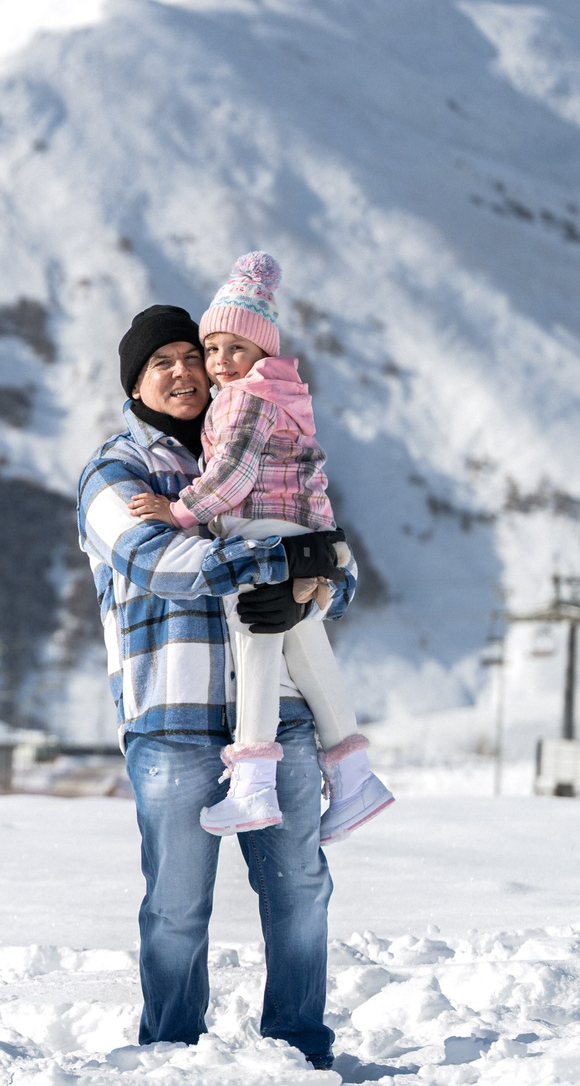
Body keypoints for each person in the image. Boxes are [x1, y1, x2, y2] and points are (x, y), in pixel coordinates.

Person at [74, 302, 354, 1069]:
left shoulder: (254, 442)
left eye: (191, 356)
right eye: (161, 361)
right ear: (136, 380)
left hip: (278, 718)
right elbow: (154, 561)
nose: (182, 371)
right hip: (175, 720)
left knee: (299, 886)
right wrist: (282, 569)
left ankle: (299, 1045)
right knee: (176, 905)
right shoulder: (117, 471)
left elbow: (337, 557)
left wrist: (315, 588)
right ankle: (169, 1051)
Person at [124, 253, 394, 841]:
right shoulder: (278, 394)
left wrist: (177, 511)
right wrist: (317, 557)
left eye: (228, 351)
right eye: (210, 348)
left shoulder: (245, 399)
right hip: (287, 529)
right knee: (305, 645)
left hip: (258, 530)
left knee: (255, 647)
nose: (216, 364)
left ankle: (252, 785)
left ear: (262, 352)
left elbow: (235, 476)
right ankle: (354, 777)